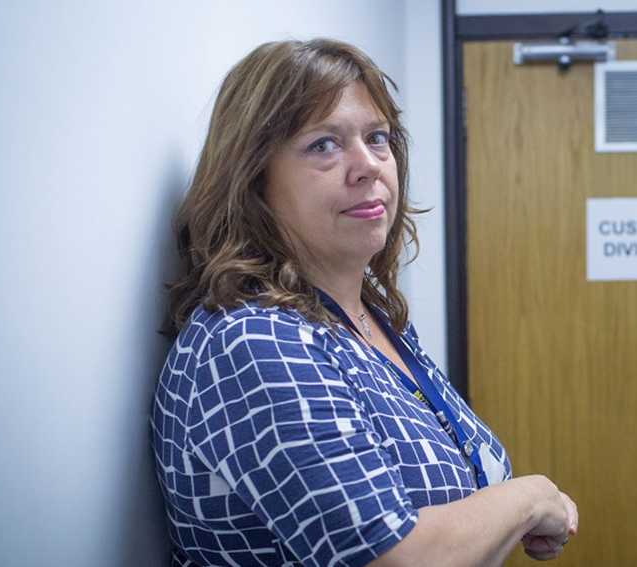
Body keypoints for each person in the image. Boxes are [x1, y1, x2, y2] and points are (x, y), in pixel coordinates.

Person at [151, 38, 578, 567]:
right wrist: (529, 497)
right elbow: (397, 559)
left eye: (378, 138)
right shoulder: (254, 341)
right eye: (323, 145)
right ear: (253, 180)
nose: (368, 165)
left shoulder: (370, 316)